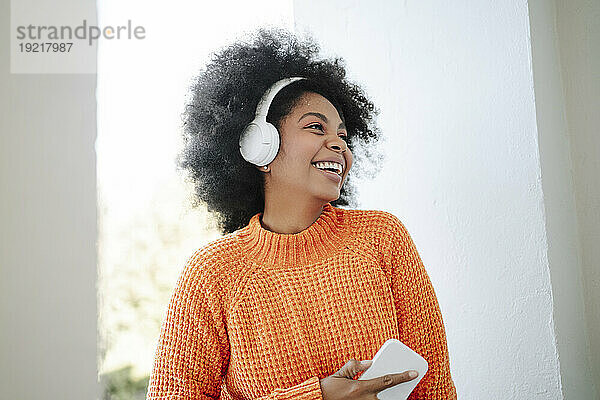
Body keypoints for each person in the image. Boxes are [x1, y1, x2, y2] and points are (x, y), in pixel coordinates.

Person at [146, 28, 457, 400]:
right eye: (315, 127)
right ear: (258, 145)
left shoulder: (382, 237)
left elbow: (436, 386)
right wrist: (318, 396)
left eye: (343, 134)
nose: (339, 144)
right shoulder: (213, 273)